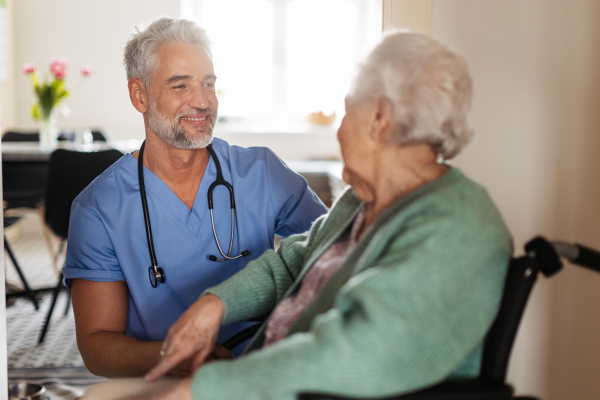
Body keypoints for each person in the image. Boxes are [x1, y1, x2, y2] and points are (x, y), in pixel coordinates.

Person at [138, 30, 514, 400]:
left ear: (379, 118)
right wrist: (215, 304)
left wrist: (205, 390)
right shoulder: (363, 201)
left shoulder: (456, 226)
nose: (339, 129)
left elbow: (360, 353)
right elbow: (291, 265)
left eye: (347, 111)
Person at [64, 17, 328, 378]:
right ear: (139, 95)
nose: (202, 101)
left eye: (208, 84)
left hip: (263, 371)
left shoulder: (262, 173)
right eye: (180, 85)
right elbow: (97, 343)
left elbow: (339, 248)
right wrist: (174, 356)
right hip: (164, 377)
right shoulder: (98, 209)